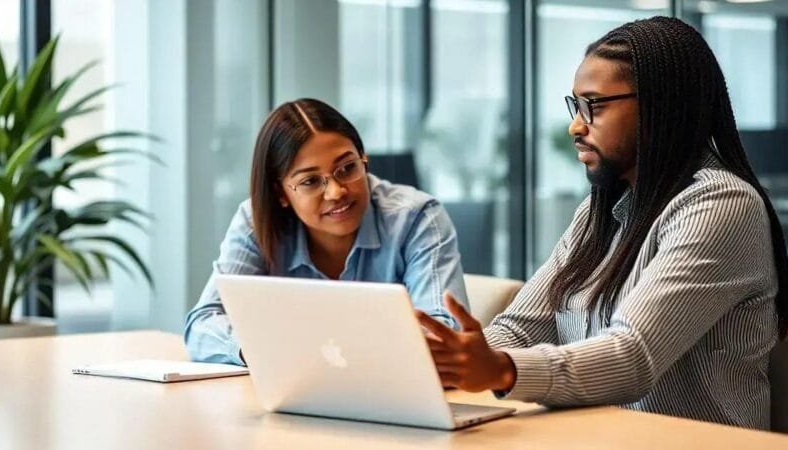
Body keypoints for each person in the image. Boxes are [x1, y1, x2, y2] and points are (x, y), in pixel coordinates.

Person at [415, 16, 788, 430]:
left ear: (660, 105)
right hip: (596, 435)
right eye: (576, 105)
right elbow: (523, 329)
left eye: (594, 105)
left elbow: (632, 356)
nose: (577, 125)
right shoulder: (602, 209)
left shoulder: (720, 205)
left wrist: (502, 370)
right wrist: (447, 363)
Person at [185, 98, 469, 366]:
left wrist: (302, 351)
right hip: (292, 397)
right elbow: (202, 325)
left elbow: (444, 337)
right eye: (310, 181)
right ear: (280, 192)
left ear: (363, 159)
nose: (336, 192)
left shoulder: (416, 218)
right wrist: (261, 352)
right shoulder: (255, 222)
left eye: (347, 168)